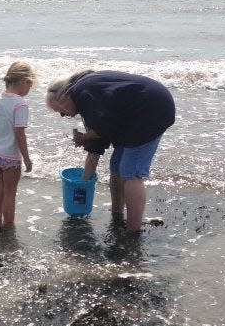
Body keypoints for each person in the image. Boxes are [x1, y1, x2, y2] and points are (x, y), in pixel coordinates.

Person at [46, 70, 175, 233]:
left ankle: (132, 232)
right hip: (139, 111)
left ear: (63, 97)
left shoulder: (83, 94)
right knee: (116, 165)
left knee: (131, 171)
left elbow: (104, 128)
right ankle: (117, 215)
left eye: (61, 111)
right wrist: (84, 182)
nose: (64, 116)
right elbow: (97, 145)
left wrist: (84, 137)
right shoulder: (85, 94)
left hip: (151, 110)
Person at [0, 61, 36, 231]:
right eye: (31, 84)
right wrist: (27, 159)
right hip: (10, 157)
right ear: (24, 82)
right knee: (10, 193)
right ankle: (9, 227)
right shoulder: (20, 104)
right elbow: (20, 134)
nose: (30, 89)